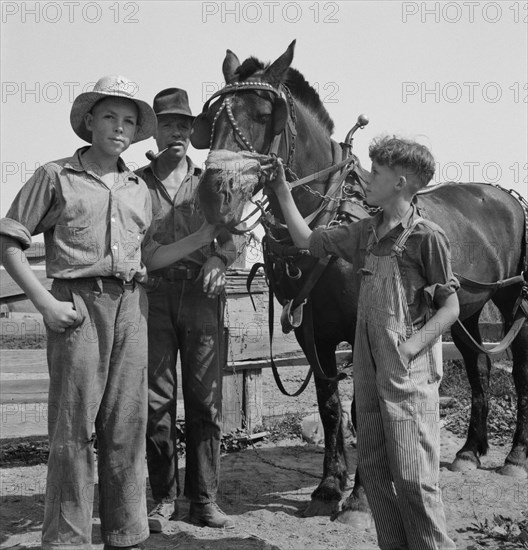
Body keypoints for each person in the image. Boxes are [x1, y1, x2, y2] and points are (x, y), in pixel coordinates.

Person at [0, 75, 218, 550]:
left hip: (132, 307)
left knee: (127, 425)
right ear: (89, 122)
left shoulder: (139, 186)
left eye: (128, 121)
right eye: (109, 117)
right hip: (78, 305)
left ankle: (127, 532)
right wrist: (46, 303)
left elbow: (151, 255)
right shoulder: (55, 176)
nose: (118, 128)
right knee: (74, 427)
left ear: (137, 130)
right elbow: (9, 242)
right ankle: (67, 538)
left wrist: (202, 240)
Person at [263, 136, 459, 550]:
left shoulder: (428, 237)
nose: (365, 178)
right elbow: (307, 241)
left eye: (376, 173)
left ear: (401, 182)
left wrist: (408, 349)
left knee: (413, 473)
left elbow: (450, 308)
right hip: (369, 367)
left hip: (407, 368)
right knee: (372, 464)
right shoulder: (363, 231)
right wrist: (282, 191)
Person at [136, 88, 237, 532]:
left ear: (194, 131)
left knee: (205, 403)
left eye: (184, 124)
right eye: (168, 123)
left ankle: (204, 500)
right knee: (156, 404)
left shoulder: (212, 182)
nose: (176, 132)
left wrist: (219, 258)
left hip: (201, 298)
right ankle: (161, 499)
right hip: (152, 298)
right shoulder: (134, 183)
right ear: (154, 130)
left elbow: (233, 235)